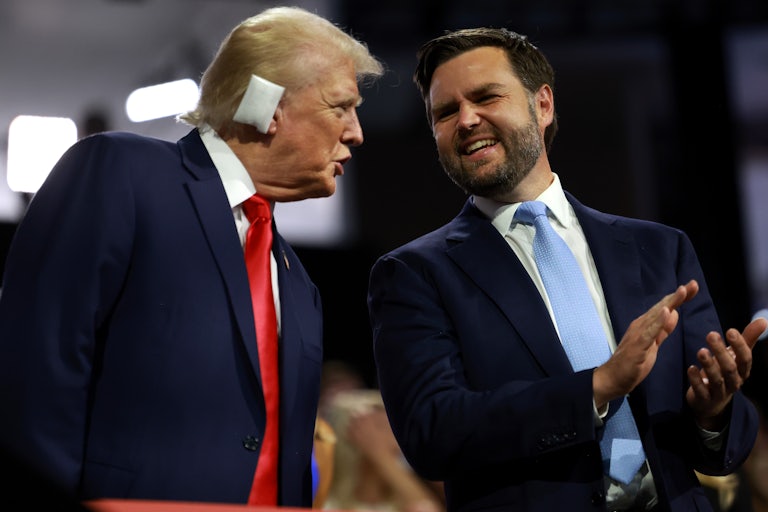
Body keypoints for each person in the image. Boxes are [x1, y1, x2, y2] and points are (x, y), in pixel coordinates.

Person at [367, 27, 767, 512]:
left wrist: (714, 408)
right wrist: (597, 386)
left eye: (485, 97)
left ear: (543, 105)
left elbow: (725, 448)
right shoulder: (415, 274)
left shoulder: (659, 249)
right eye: (445, 113)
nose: (466, 119)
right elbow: (432, 431)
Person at [0, 6, 383, 508]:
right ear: (267, 105)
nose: (356, 132)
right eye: (341, 106)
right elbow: (35, 372)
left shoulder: (298, 283)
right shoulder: (122, 173)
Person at [322, 388, 446, 512]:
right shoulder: (325, 502)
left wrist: (383, 457)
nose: (395, 434)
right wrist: (379, 452)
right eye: (379, 426)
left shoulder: (403, 498)